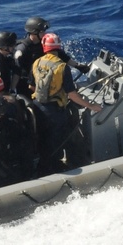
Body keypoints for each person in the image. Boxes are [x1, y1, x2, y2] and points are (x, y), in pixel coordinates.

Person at [32, 33, 102, 174]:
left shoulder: (37, 62)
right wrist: (91, 106)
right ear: (59, 48)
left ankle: (41, 166)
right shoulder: (62, 67)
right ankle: (53, 169)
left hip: (37, 107)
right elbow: (72, 95)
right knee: (57, 142)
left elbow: (32, 87)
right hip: (54, 112)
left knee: (43, 139)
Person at [13, 16, 89, 97]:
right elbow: (16, 71)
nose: (45, 33)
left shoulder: (44, 43)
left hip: (44, 81)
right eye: (42, 31)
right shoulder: (23, 49)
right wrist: (13, 88)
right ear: (34, 33)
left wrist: (78, 66)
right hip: (28, 86)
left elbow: (62, 56)